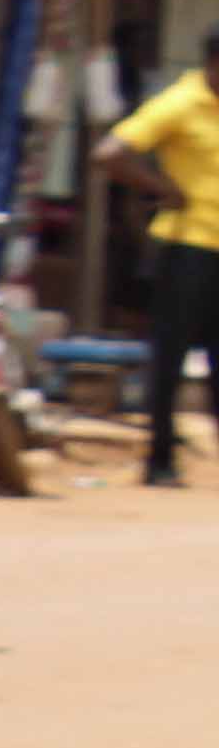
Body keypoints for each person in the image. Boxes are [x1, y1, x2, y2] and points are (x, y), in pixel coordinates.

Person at [103, 47, 219, 488]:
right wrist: (160, 188)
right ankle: (160, 461)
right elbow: (110, 153)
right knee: (170, 359)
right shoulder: (180, 103)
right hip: (186, 247)